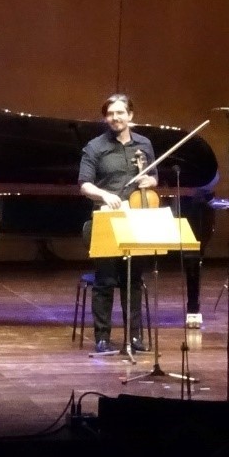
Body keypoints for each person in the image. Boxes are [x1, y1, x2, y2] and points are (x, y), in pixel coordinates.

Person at [78, 93, 157, 354]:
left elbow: (154, 176)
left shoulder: (144, 144)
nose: (115, 117)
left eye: (120, 112)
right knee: (105, 280)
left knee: (133, 280)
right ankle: (102, 336)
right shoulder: (95, 147)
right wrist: (105, 195)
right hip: (107, 218)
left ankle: (134, 337)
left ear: (130, 115)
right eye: (110, 113)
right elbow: (85, 184)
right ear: (105, 118)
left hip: (136, 219)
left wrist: (150, 181)